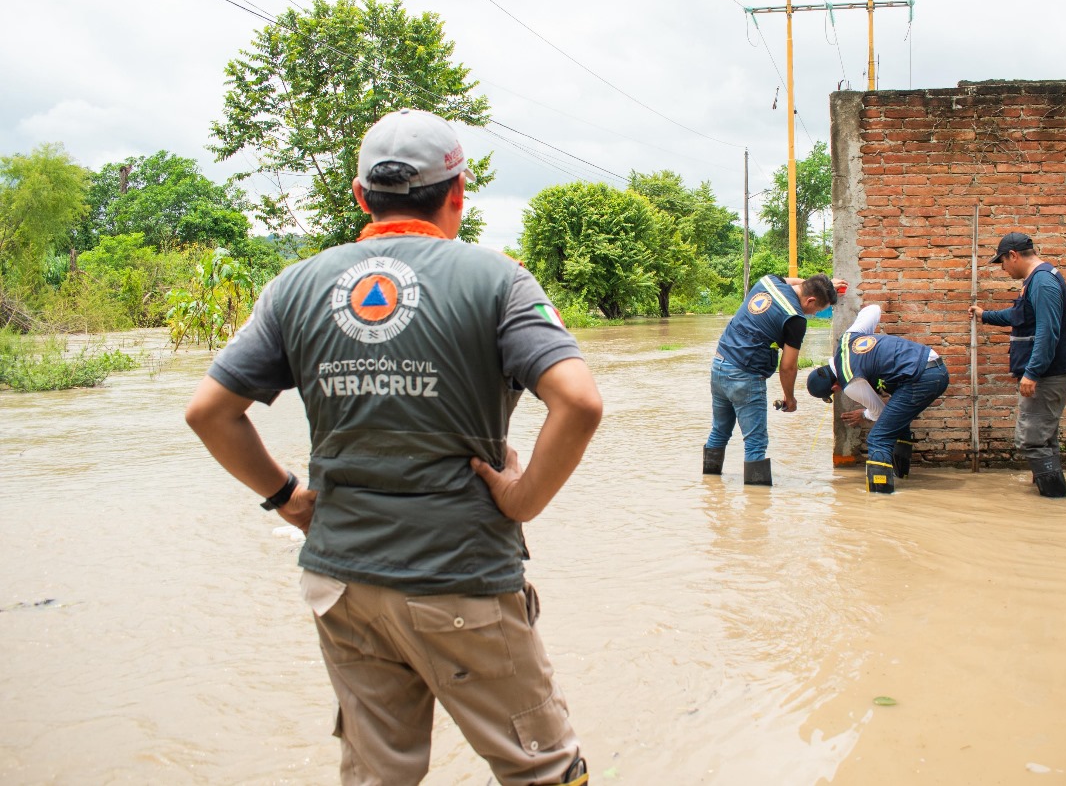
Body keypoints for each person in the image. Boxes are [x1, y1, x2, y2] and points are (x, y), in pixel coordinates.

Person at [185, 108, 602, 786]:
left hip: (341, 584)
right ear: (458, 193)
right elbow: (579, 401)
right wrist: (522, 496)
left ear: (360, 196)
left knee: (378, 775)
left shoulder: (294, 285)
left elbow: (209, 412)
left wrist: (287, 497)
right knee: (546, 768)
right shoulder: (499, 281)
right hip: (461, 578)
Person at [702, 273, 840, 486]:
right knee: (756, 444)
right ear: (810, 300)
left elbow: (794, 282)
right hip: (746, 375)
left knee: (719, 431)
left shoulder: (768, 281)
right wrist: (790, 397)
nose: (813, 314)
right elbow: (788, 367)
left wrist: (826, 285)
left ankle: (710, 488)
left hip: (719, 364)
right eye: (817, 310)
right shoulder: (795, 318)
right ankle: (757, 508)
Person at [968, 231, 1066, 498]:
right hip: (1047, 373)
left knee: (1033, 440)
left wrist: (1032, 372)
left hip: (1046, 375)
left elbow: (1047, 331)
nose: (1003, 268)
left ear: (1013, 256)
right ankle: (1052, 501)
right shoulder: (1037, 281)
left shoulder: (1043, 284)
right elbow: (1021, 315)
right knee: (1044, 438)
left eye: (1002, 262)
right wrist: (986, 316)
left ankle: (1054, 500)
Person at [805, 303, 949, 494]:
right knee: (897, 424)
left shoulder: (850, 382)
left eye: (833, 393)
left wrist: (863, 414)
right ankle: (901, 476)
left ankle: (879, 496)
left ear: (833, 387)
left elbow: (879, 412)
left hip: (921, 378)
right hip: (934, 367)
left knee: (879, 437)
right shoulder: (848, 339)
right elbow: (873, 309)